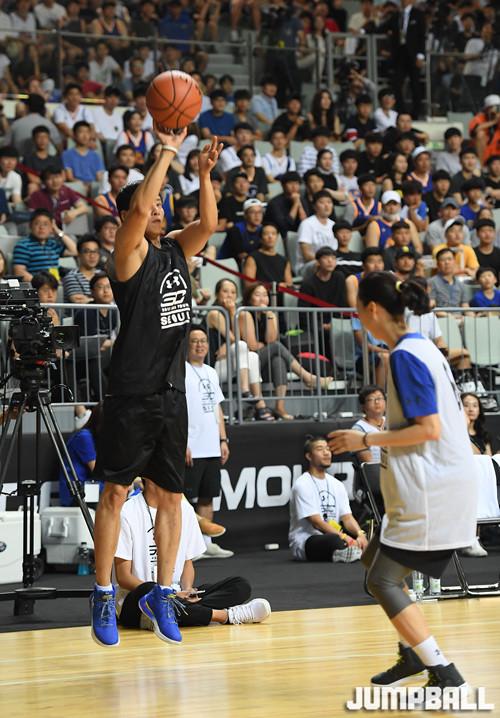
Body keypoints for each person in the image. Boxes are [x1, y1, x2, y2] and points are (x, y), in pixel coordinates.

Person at [89, 128, 222, 648]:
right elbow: (141, 207)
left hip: (171, 393)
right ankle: (103, 592)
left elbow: (208, 224)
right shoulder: (128, 253)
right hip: (131, 390)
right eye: (153, 205)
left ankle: (164, 592)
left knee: (170, 498)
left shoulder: (175, 250)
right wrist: (166, 150)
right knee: (115, 493)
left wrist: (204, 174)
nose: (160, 209)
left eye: (165, 204)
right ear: (128, 216)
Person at [329, 272, 477, 691]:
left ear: (373, 310)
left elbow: (428, 429)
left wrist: (364, 439)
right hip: (432, 482)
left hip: (433, 489)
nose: (358, 318)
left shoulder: (406, 357)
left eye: (358, 311)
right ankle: (412, 652)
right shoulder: (419, 346)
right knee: (371, 558)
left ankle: (444, 671)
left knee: (381, 580)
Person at [114, 480, 271, 631]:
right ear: (148, 477)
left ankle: (185, 611)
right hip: (137, 601)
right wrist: (169, 594)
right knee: (151, 590)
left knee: (239, 585)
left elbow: (187, 563)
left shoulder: (185, 509)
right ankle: (227, 615)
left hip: (177, 593)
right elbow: (123, 577)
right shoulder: (127, 511)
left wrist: (188, 589)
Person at [239, 284, 331, 420]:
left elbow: (270, 339)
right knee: (276, 347)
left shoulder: (269, 315)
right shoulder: (244, 313)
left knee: (279, 360)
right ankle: (307, 377)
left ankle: (280, 407)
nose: (262, 299)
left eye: (265, 295)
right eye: (257, 295)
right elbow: (252, 345)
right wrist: (265, 345)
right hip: (248, 365)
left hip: (264, 360)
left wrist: (270, 316)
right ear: (249, 299)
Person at [185, 327, 233, 559]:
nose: (200, 345)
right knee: (184, 500)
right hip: (191, 445)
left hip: (211, 445)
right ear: (187, 345)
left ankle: (206, 544)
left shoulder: (212, 372)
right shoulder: (181, 371)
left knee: (207, 496)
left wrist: (222, 439)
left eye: (203, 340)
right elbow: (176, 410)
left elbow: (217, 408)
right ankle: (187, 546)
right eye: (194, 341)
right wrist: (181, 443)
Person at [288, 436, 368, 562]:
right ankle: (343, 550)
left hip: (334, 535)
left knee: (365, 533)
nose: (326, 453)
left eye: (328, 449)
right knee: (334, 539)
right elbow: (316, 522)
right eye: (320, 449)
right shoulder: (302, 484)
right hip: (306, 542)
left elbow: (347, 518)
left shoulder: (337, 484)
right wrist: (345, 538)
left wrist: (360, 534)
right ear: (309, 456)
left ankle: (345, 550)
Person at [207, 278, 274, 422]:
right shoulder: (215, 313)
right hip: (214, 367)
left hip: (233, 363)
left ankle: (259, 405)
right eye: (225, 291)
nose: (229, 295)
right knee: (242, 345)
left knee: (252, 356)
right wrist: (232, 313)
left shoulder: (235, 312)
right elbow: (234, 338)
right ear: (217, 294)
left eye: (233, 292)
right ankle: (246, 391)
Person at [12, 209, 77, 281]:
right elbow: (19, 271)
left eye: (46, 224)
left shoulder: (53, 244)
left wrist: (58, 231)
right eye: (37, 224)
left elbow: (74, 251)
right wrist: (40, 284)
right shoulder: (23, 246)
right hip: (37, 284)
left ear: (51, 227)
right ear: (30, 226)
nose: (41, 227)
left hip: (56, 283)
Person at [59, 404, 103, 507]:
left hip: (91, 487)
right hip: (76, 492)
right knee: (117, 489)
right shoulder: (84, 437)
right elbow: (99, 472)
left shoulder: (97, 436)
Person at [296, 191, 336, 276]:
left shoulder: (333, 225)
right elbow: (306, 255)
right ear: (314, 206)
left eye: (329, 202)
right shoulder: (307, 224)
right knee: (321, 265)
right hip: (308, 265)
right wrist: (324, 261)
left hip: (330, 263)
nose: (326, 206)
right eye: (322, 202)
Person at [243, 222, 292, 289]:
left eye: (273, 234)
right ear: (260, 239)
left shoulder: (284, 261)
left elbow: (289, 285)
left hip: (281, 293)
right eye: (266, 234)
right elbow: (249, 285)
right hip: (261, 293)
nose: (270, 237)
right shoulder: (252, 258)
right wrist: (274, 286)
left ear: (277, 237)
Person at [263, 170, 306, 238]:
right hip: (278, 236)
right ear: (283, 185)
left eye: (296, 183)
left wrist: (299, 204)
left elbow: (305, 223)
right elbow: (285, 226)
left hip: (298, 235)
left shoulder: (302, 200)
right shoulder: (274, 203)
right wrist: (295, 204)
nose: (294, 186)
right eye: (290, 183)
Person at [62, 120, 105, 186]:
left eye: (87, 132)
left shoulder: (95, 156)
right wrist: (83, 185)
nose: (85, 135)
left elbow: (99, 177)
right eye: (81, 132)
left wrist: (91, 186)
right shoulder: (67, 154)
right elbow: (69, 177)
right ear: (74, 135)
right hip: (76, 186)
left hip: (93, 186)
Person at [351, 385, 385, 464]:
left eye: (380, 398)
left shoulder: (391, 421)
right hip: (374, 469)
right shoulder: (358, 429)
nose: (377, 402)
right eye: (371, 399)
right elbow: (367, 460)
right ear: (363, 406)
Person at [62, 235, 101, 303]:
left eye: (95, 251)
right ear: (79, 254)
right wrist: (102, 299)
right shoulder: (71, 277)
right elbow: (79, 302)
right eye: (87, 251)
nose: (92, 255)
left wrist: (90, 299)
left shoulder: (103, 276)